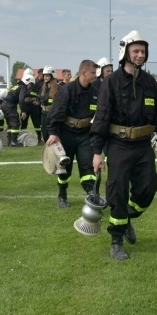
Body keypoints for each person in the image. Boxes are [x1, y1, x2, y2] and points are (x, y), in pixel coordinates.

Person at [90, 30, 157, 261]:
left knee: (148, 187)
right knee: (117, 191)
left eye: (143, 51)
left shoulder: (149, 82)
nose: (140, 55)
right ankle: (116, 240)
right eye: (136, 51)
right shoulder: (111, 82)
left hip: (143, 146)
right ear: (125, 52)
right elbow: (102, 117)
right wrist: (97, 152)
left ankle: (125, 219)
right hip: (118, 145)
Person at [46, 59, 99, 208]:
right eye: (93, 73)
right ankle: (62, 194)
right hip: (66, 134)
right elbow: (56, 112)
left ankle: (91, 194)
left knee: (88, 166)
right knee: (64, 168)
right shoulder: (67, 90)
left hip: (85, 135)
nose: (95, 75)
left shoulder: (95, 92)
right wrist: (53, 133)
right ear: (83, 73)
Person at [1, 76, 27, 147]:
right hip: (10, 106)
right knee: (15, 123)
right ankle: (14, 142)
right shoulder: (23, 87)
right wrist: (23, 111)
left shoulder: (16, 86)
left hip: (5, 104)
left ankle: (10, 141)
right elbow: (21, 100)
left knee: (10, 124)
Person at [39, 66, 60, 143]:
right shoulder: (43, 88)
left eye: (47, 76)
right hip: (43, 114)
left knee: (52, 135)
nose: (45, 77)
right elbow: (40, 98)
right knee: (45, 134)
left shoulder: (58, 88)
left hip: (53, 114)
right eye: (44, 76)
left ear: (52, 76)